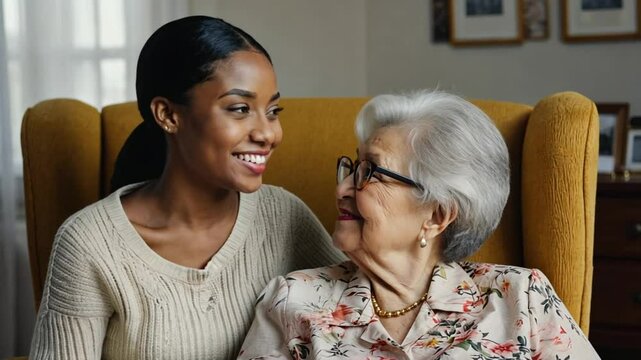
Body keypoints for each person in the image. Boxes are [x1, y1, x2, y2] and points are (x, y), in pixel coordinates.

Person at [29, 16, 344, 359]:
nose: (268, 134)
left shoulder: (284, 214)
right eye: (240, 109)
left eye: (272, 111)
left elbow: (367, 315)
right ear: (167, 115)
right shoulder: (89, 244)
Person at [238, 90, 600, 359]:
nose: (342, 189)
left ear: (437, 215)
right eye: (351, 167)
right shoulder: (292, 302)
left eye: (370, 172)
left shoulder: (520, 299)